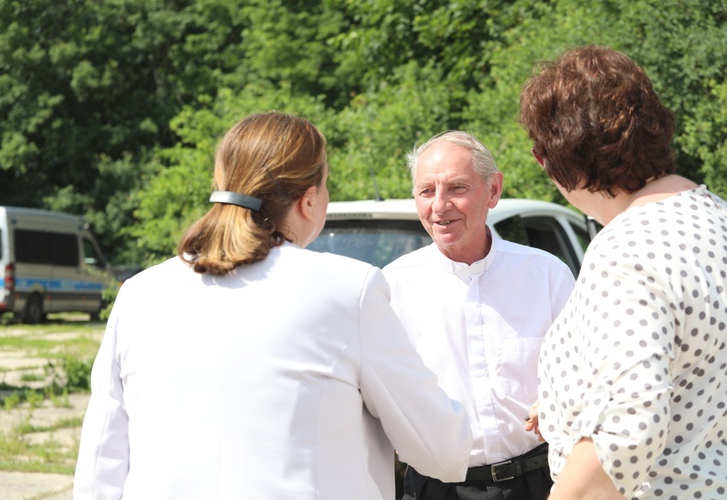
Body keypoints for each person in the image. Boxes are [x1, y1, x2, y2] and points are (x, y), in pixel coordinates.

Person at [73, 112, 473, 499]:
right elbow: (442, 453)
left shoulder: (141, 293)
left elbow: (98, 470)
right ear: (310, 199)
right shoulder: (350, 290)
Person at [519, 45, 727, 499]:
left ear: (550, 157)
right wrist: (565, 406)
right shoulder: (715, 218)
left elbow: (630, 424)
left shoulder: (626, 251)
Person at [382, 130, 576, 500]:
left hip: (540, 484)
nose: (439, 206)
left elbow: (587, 378)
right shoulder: (391, 287)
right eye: (426, 191)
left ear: (493, 190)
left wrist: (558, 400)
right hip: (436, 491)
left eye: (456, 188)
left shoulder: (546, 275)